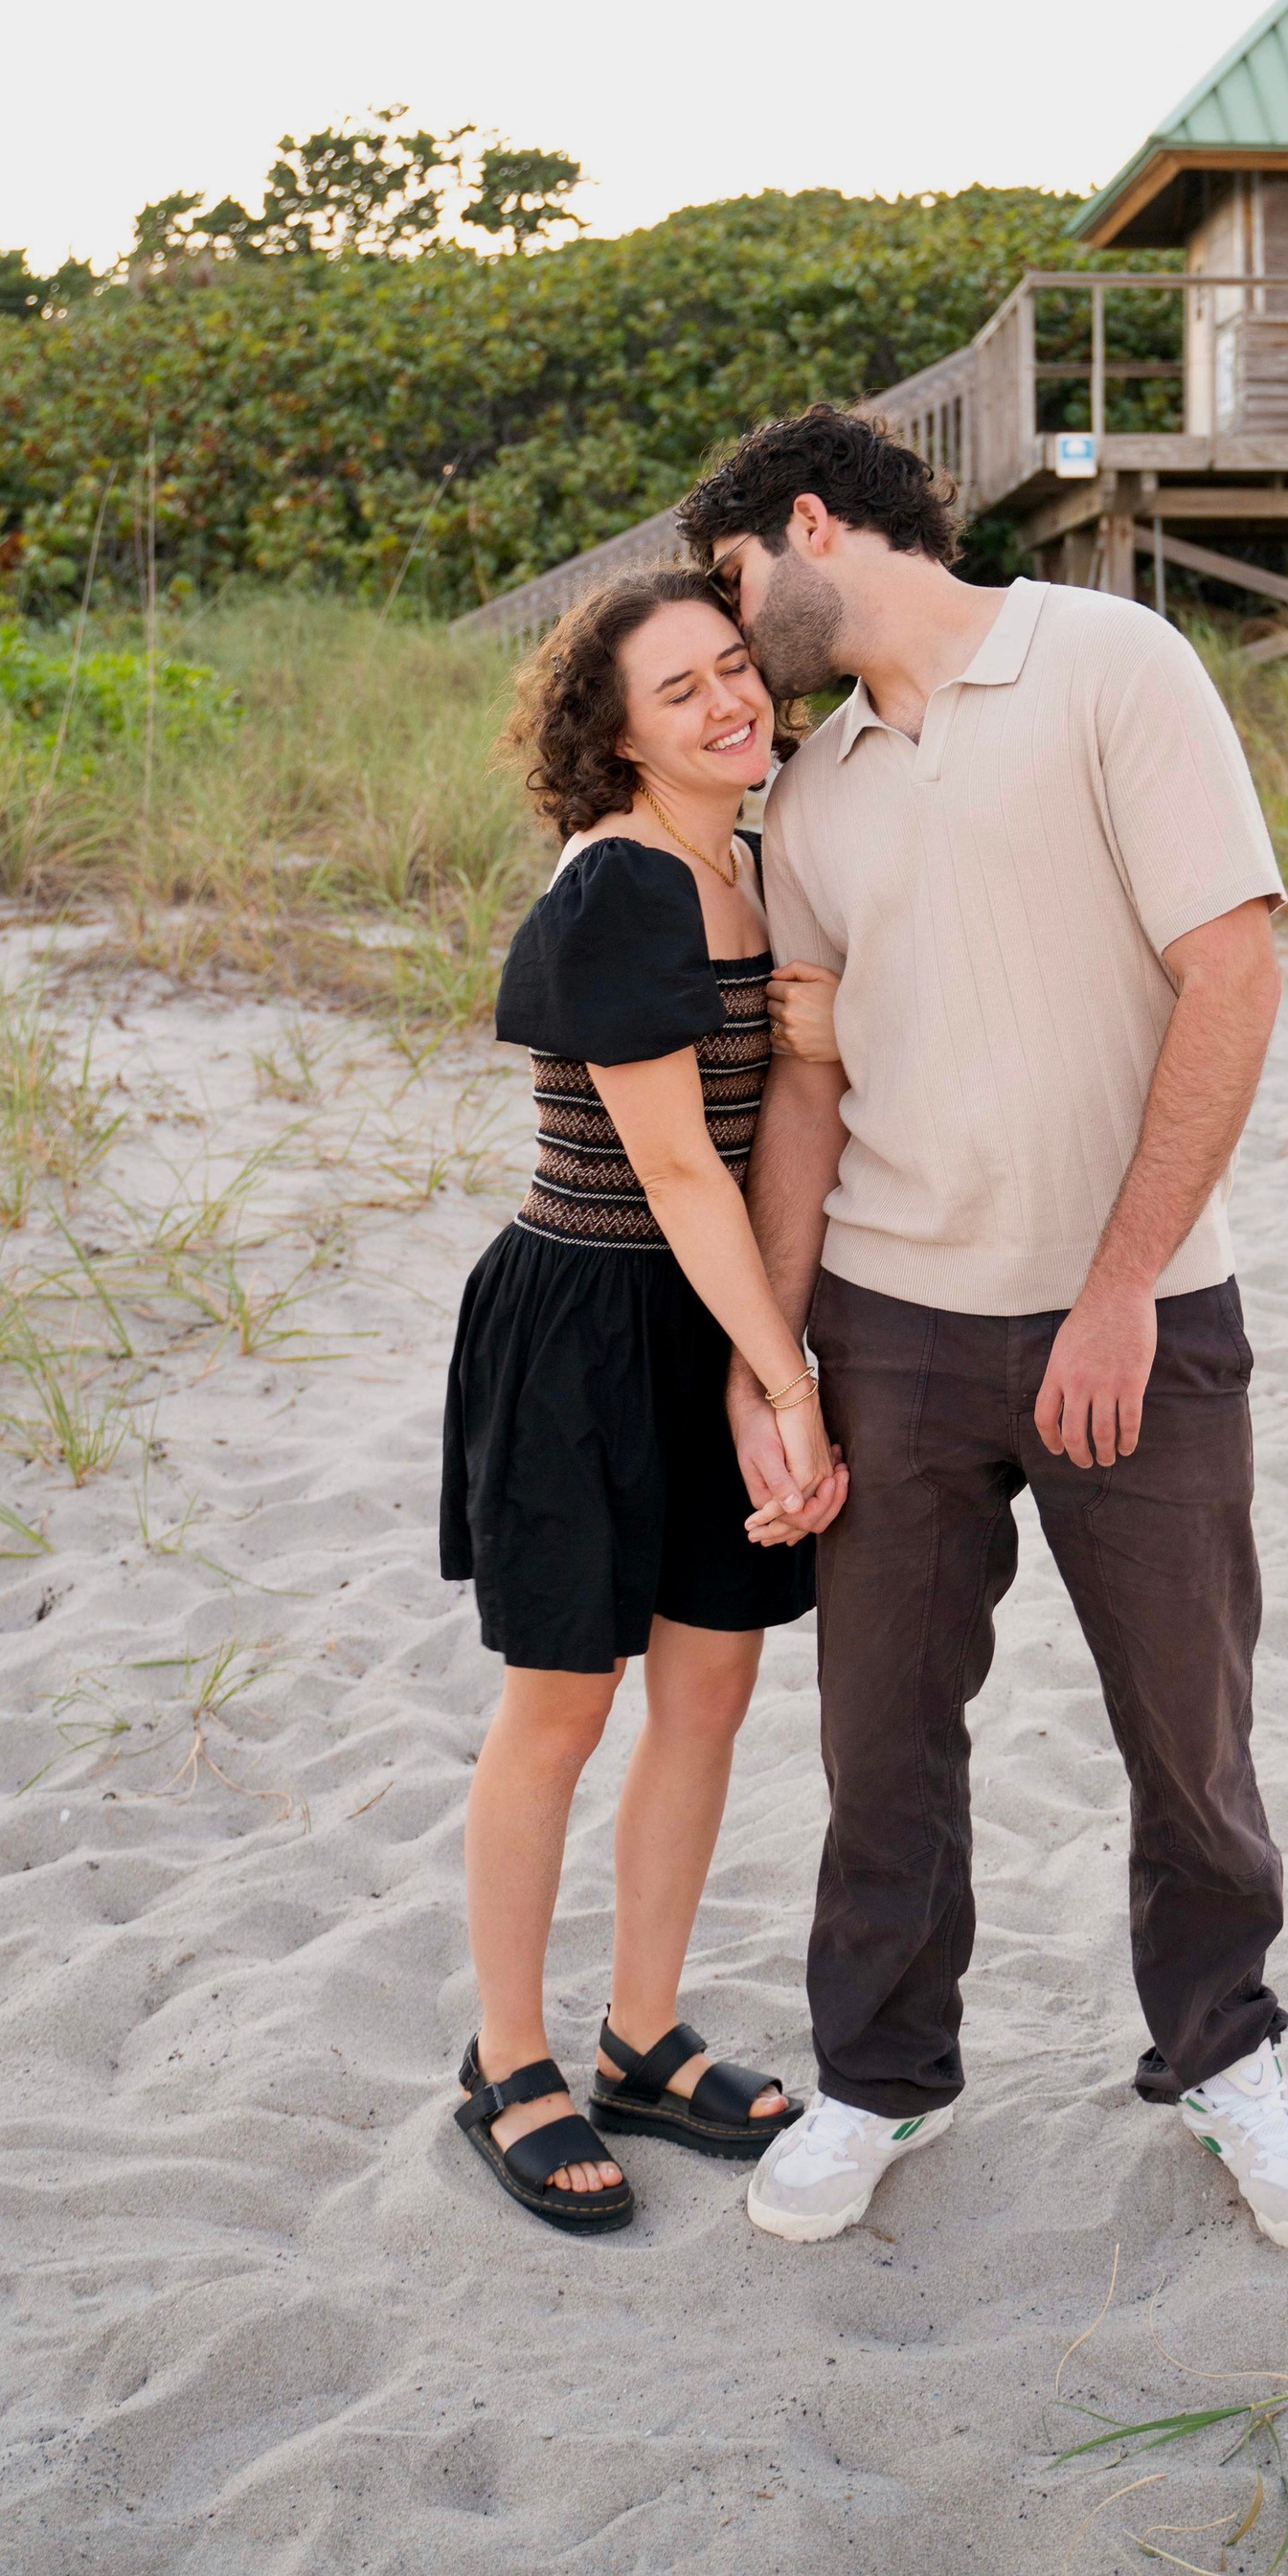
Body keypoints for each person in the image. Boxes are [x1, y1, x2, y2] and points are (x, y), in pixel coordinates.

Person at [678, 407, 1288, 2257]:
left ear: (815, 522)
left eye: (740, 585)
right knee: (882, 1737)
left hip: (1140, 1315)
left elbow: (1232, 968)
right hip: (892, 1328)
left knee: (1187, 1725)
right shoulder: (807, 794)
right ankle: (880, 2076)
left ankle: (1225, 2055)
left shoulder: (1112, 662)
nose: (740, 643)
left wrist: (1125, 1282)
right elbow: (810, 1098)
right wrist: (780, 1361)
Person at [440, 572, 847, 2236]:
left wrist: (821, 1042)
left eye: (735, 668)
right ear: (612, 732)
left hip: (713, 1318)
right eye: (677, 688)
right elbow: (677, 1167)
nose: (725, 702)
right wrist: (786, 1374)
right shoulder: (618, 883)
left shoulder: (751, 862)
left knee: (709, 1691)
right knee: (563, 1701)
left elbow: (774, 1132)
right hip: (591, 1325)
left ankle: (639, 2032)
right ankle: (509, 2056)